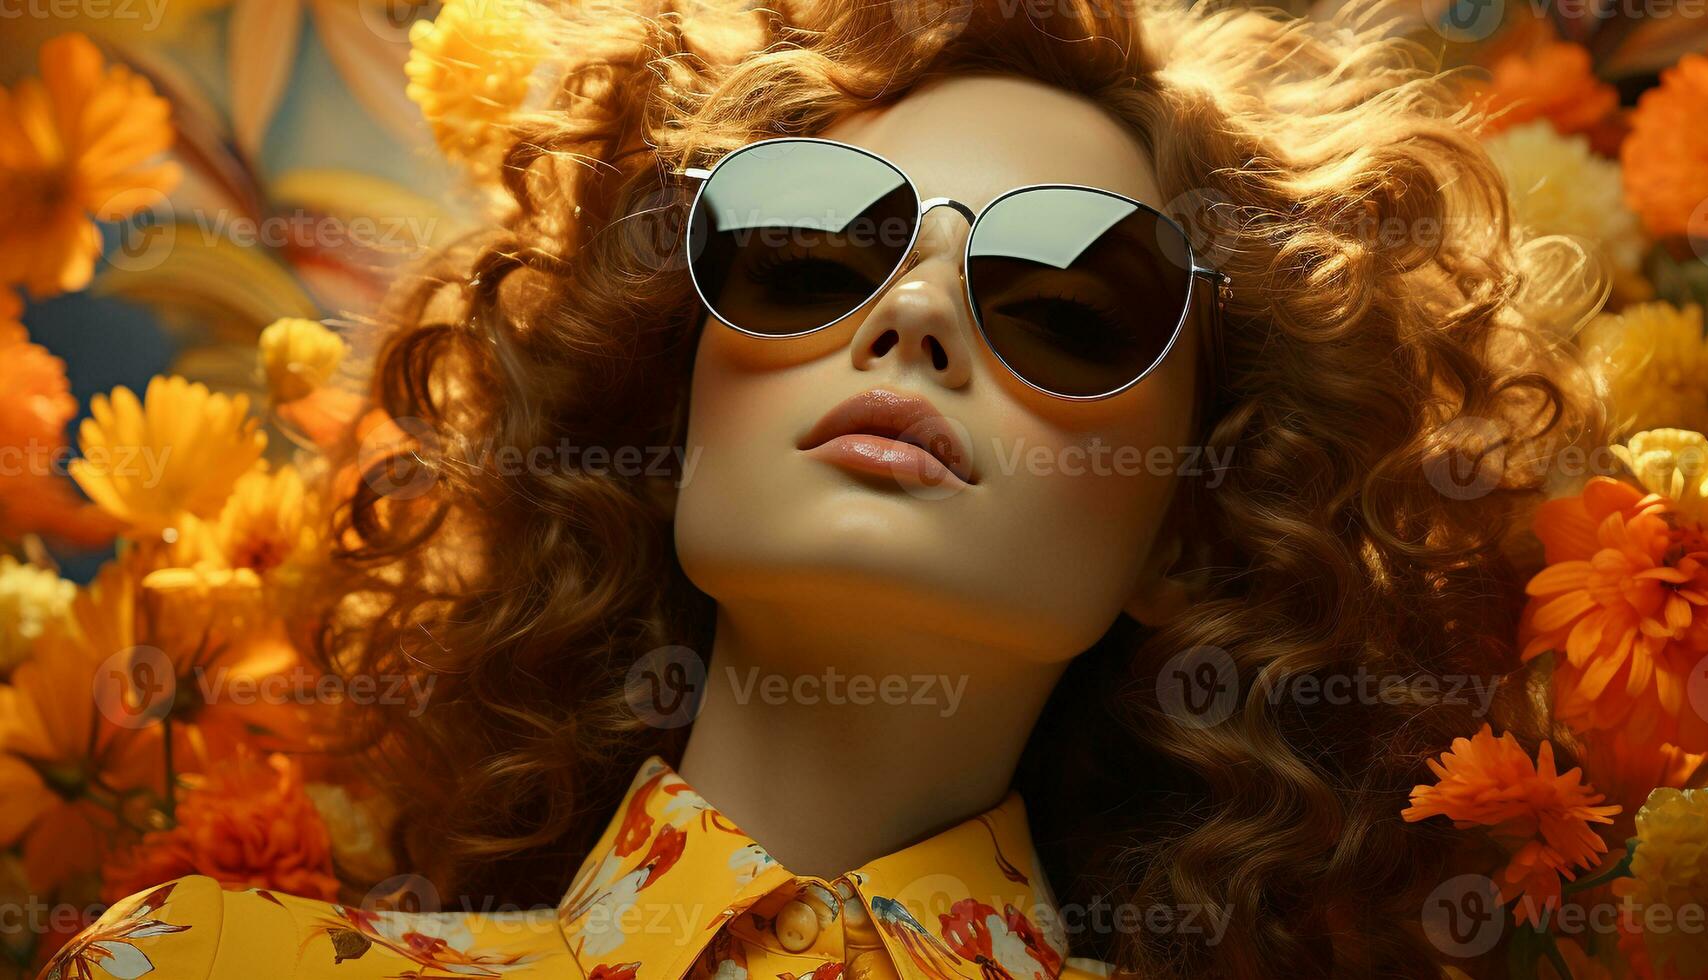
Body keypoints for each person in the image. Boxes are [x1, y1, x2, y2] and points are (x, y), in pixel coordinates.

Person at [45, 0, 1594, 977]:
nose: (910, 317)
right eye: (804, 252)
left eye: (1065, 303)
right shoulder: (205, 960)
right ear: (667, 399)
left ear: (1191, 525)